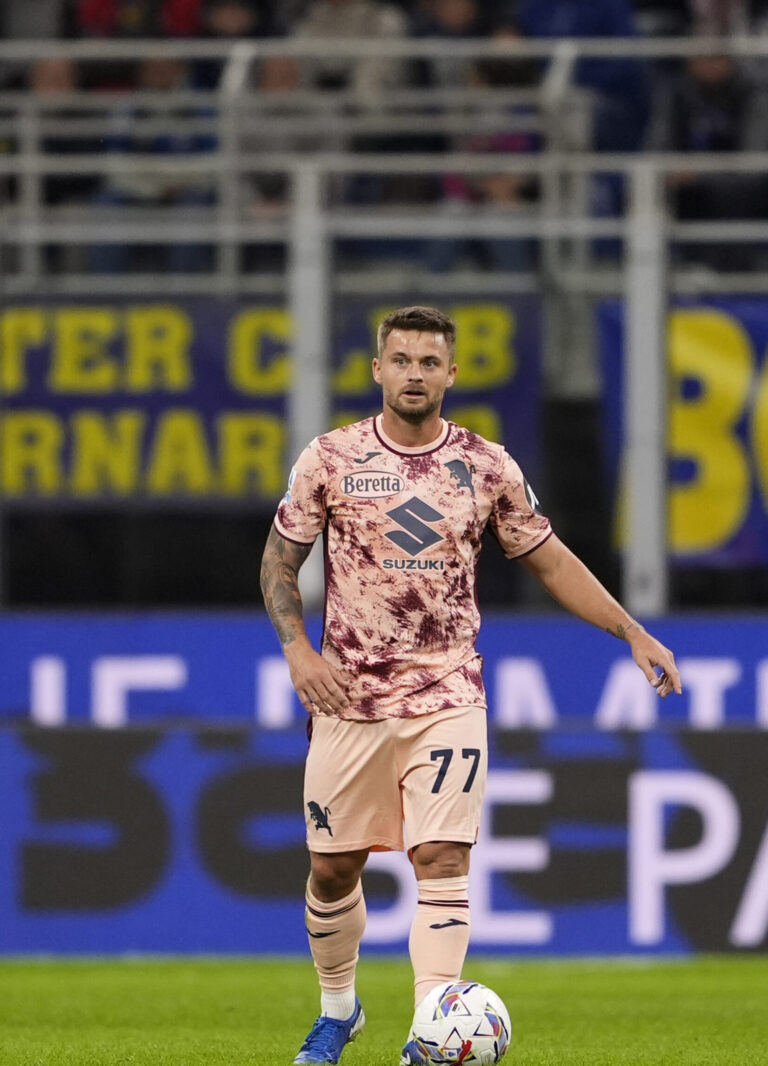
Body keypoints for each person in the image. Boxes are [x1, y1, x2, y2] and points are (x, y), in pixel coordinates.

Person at [259, 305, 682, 1066]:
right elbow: (279, 565)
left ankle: (431, 1026)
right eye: (402, 360)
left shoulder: (487, 467)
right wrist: (297, 650)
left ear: (452, 374)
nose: (414, 374)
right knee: (331, 868)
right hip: (348, 699)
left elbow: (550, 560)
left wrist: (632, 631)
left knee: (442, 858)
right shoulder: (330, 458)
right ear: (377, 368)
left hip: (448, 694)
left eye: (429, 362)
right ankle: (338, 1011)